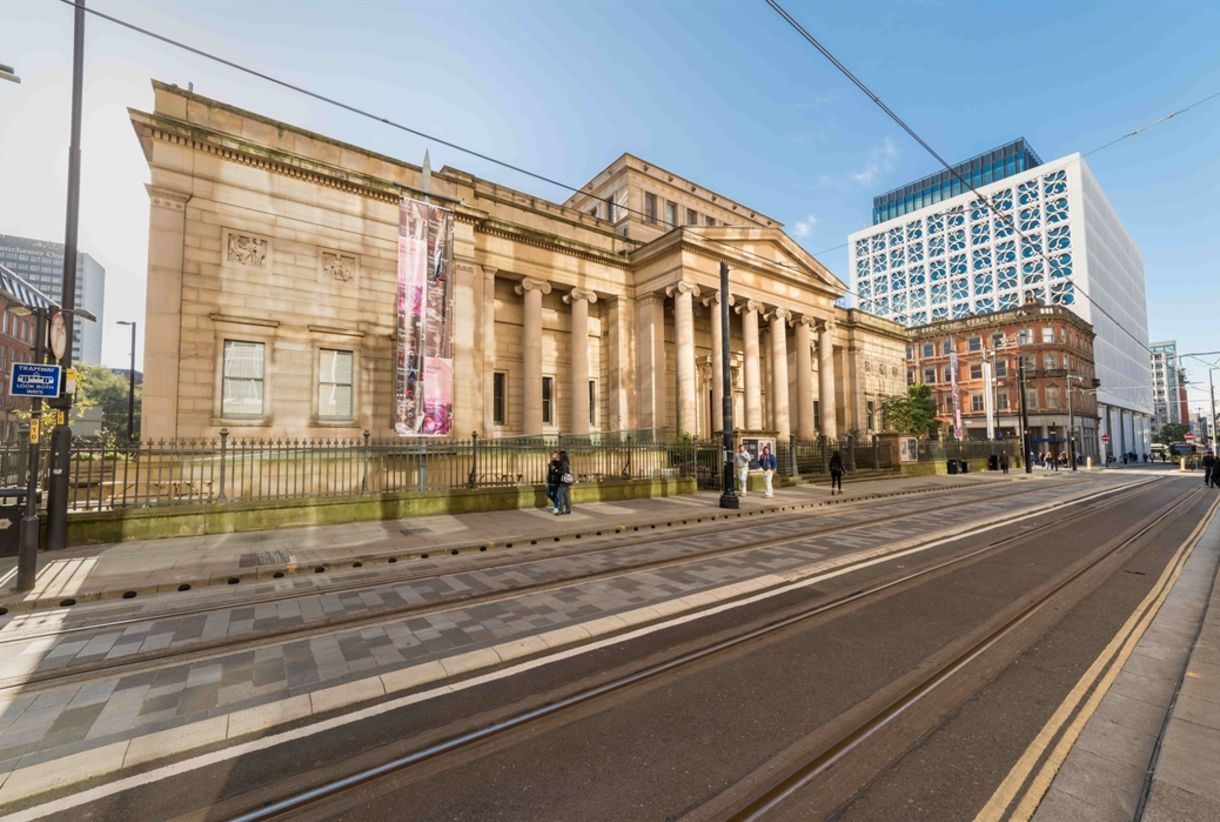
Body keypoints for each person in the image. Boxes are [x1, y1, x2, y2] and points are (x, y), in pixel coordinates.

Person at [555, 449, 573, 514]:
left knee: (559, 495)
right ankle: (568, 509)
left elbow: (564, 471)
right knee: (565, 495)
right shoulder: (563, 462)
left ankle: (561, 510)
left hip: (563, 481)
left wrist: (557, 471)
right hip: (564, 481)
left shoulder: (564, 462)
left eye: (559, 455)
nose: (558, 456)